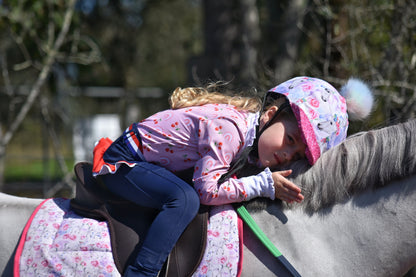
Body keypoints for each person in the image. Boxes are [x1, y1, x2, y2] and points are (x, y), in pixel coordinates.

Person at [92, 76, 373, 276]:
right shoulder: (231, 130)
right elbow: (207, 191)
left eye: (298, 155)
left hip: (148, 163)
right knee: (185, 199)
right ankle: (141, 272)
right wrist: (261, 185)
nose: (289, 155)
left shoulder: (249, 142)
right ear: (270, 115)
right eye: (290, 139)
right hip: (125, 162)